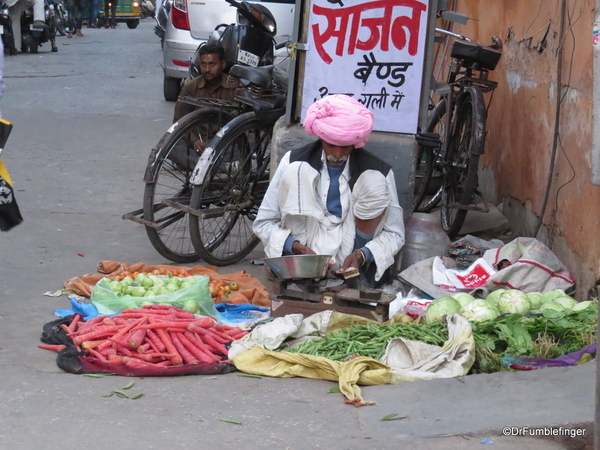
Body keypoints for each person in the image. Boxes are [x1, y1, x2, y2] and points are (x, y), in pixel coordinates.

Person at [253, 94, 405, 287]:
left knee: (373, 181)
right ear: (321, 137)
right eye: (331, 145)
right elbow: (263, 223)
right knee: (297, 171)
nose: (338, 154)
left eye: (345, 147)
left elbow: (395, 234)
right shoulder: (293, 160)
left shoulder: (379, 170)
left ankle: (355, 277)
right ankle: (303, 279)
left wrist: (362, 255)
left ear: (355, 142)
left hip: (353, 254)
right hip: (306, 253)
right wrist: (295, 247)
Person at [172, 43, 238, 153]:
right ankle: (212, 167)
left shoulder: (234, 88)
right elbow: (178, 122)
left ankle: (205, 166)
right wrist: (194, 142)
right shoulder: (190, 87)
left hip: (223, 144)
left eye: (212, 64)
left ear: (223, 64)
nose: (207, 69)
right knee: (174, 148)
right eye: (203, 64)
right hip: (198, 145)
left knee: (246, 146)